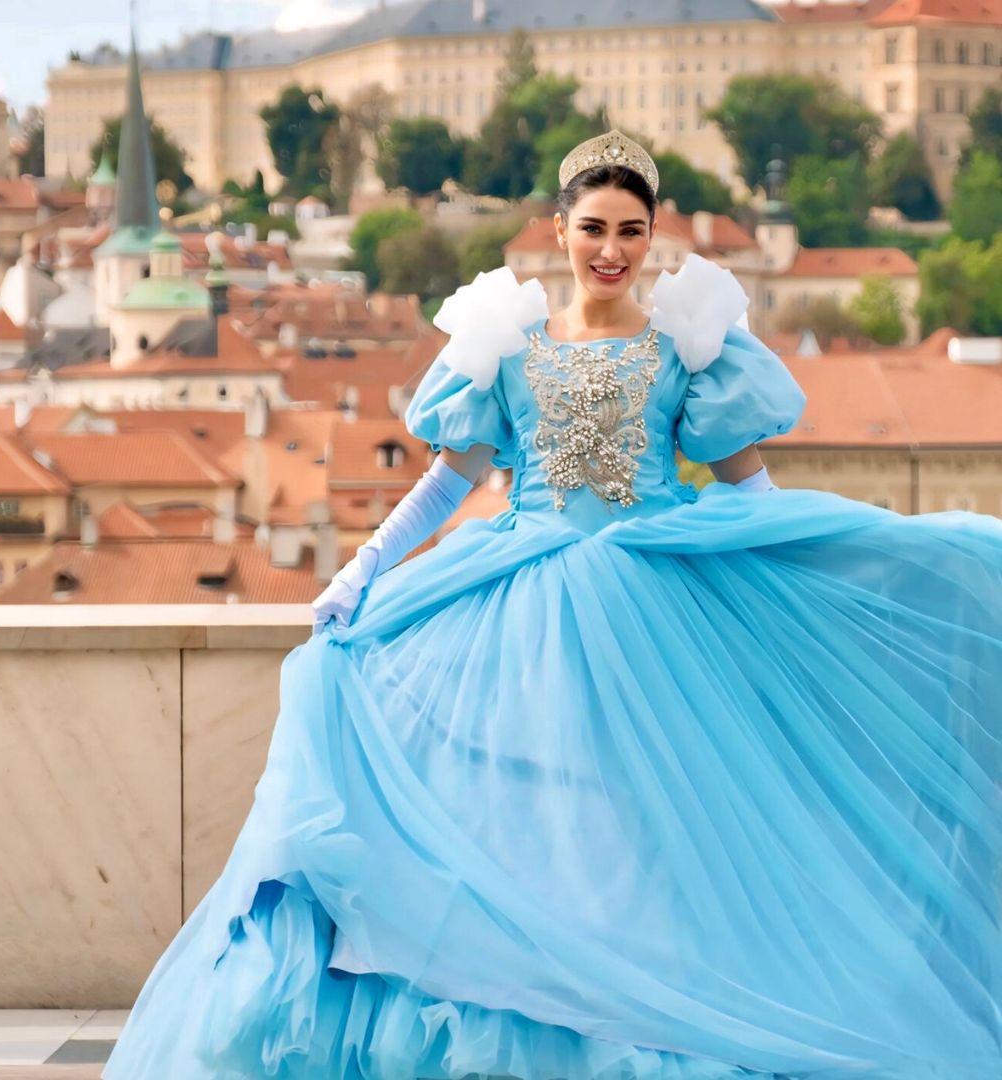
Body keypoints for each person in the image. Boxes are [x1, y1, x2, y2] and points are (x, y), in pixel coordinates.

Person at [103, 131, 1002, 1080]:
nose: (610, 250)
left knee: (635, 834)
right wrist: (361, 569)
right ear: (559, 231)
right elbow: (450, 483)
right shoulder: (505, 342)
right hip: (518, 597)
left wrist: (806, 572)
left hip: (653, 602)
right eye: (592, 229)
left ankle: (643, 1007)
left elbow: (751, 488)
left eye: (631, 231)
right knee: (513, 815)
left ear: (653, 237)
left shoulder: (690, 346)